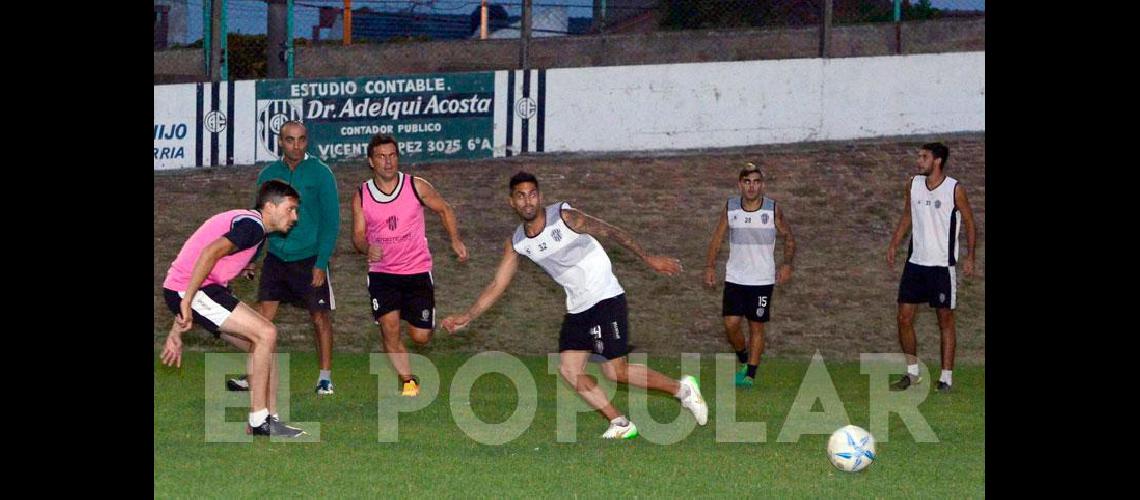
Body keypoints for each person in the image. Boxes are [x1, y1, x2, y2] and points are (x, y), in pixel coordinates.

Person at [441, 171, 708, 440]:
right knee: (569, 370)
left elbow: (611, 231)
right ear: (512, 202)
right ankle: (620, 423)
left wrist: (649, 258)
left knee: (616, 371)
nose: (527, 201)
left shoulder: (566, 217)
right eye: (520, 196)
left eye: (532, 194)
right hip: (578, 305)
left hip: (605, 296)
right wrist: (468, 315)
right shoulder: (517, 243)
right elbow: (497, 285)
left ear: (540, 196)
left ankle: (683, 390)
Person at [160, 180, 307, 437]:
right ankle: (259, 420)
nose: (294, 217)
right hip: (193, 289)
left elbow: (203, 267)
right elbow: (209, 253)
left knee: (264, 344)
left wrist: (176, 330)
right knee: (266, 333)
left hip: (196, 290)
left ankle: (269, 420)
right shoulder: (252, 226)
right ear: (270, 206)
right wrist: (186, 300)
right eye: (290, 209)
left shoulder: (256, 233)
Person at [351, 134, 468, 397]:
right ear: (371, 161)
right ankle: (408, 381)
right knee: (390, 327)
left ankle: (415, 331)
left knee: (420, 337)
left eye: (392, 155)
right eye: (381, 156)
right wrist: (367, 247)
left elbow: (445, 209)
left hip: (417, 271)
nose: (388, 161)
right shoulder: (362, 195)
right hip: (382, 274)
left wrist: (455, 240)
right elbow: (358, 235)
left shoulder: (416, 186)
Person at [232, 120, 342, 395]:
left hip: (309, 258)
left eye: (301, 139)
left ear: (307, 141)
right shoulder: (268, 174)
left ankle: (325, 378)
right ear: (280, 142)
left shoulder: (321, 173)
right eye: (290, 139)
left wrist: (321, 262)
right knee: (261, 319)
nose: (296, 145)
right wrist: (251, 257)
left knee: (319, 318)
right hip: (277, 257)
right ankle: (254, 374)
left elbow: (331, 222)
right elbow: (259, 220)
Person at [886, 142, 977, 393]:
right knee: (903, 318)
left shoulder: (954, 189)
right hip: (915, 264)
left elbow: (970, 223)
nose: (919, 161)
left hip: (941, 266)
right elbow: (907, 216)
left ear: (937, 161)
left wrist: (970, 256)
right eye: (919, 156)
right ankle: (912, 373)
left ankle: (946, 377)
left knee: (944, 320)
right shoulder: (913, 184)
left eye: (923, 157)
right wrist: (894, 243)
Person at [703, 163, 795, 388]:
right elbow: (717, 239)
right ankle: (744, 359)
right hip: (735, 277)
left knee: (756, 326)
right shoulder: (731, 208)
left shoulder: (772, 209)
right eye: (747, 182)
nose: (751, 187)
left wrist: (787, 264)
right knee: (731, 324)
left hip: (762, 280)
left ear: (761, 185)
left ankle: (750, 375)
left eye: (756, 182)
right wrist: (710, 266)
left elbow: (789, 238)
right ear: (740, 185)